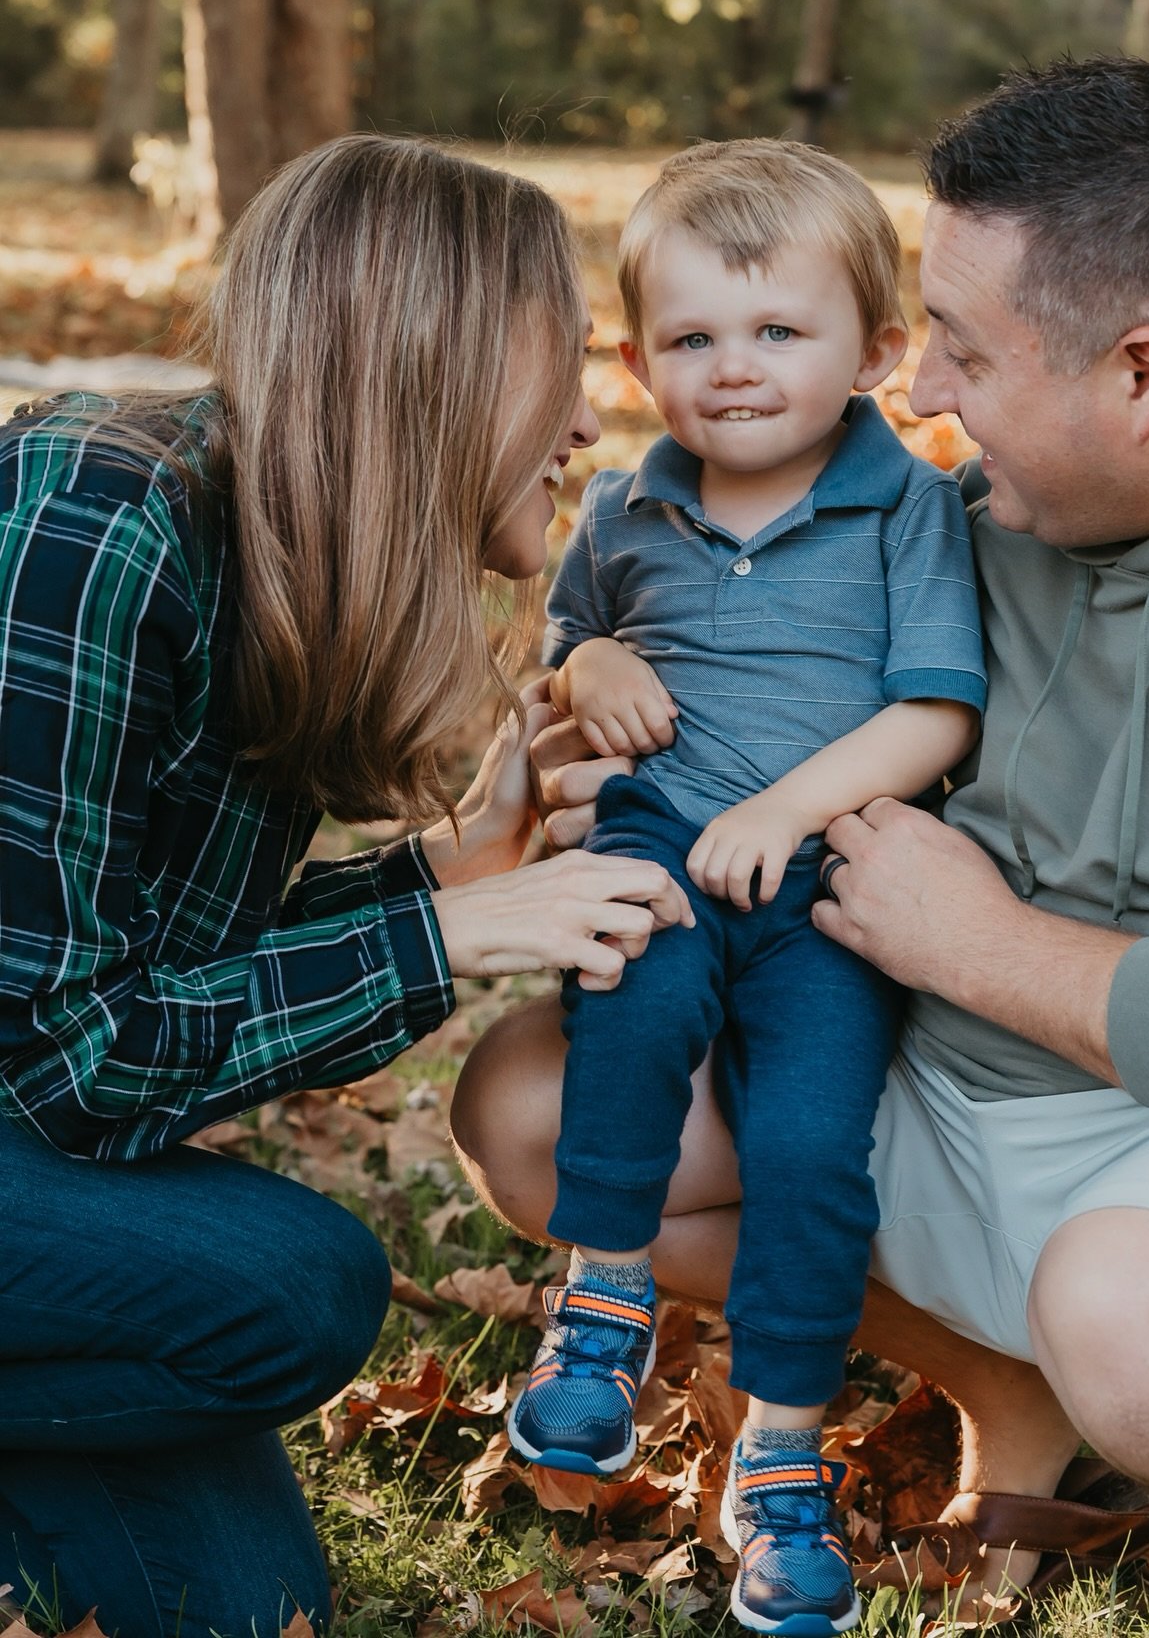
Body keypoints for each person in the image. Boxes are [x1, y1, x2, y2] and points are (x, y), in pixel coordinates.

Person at [453, 57, 1149, 1638]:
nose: (917, 401)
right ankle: (1010, 1382)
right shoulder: (988, 510)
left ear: (1143, 376)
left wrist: (973, 945)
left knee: (1140, 1313)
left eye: (964, 355)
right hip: (949, 1085)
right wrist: (628, 754)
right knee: (533, 1104)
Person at [0, 133, 691, 1638]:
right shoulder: (95, 523)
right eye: (558, 369)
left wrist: (456, 870)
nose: (589, 420)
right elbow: (64, 1065)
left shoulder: (280, 573)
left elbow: (148, 973)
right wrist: (450, 931)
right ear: (427, 368)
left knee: (233, 1606)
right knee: (295, 1283)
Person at [504, 140, 985, 1635]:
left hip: (825, 881)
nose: (734, 370)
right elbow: (561, 649)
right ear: (640, 359)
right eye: (694, 338)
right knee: (627, 1010)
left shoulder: (908, 508)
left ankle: (780, 1455)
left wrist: (784, 809)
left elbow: (937, 716)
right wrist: (594, 659)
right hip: (660, 843)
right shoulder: (625, 512)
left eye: (780, 332)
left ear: (877, 354)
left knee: (808, 1145)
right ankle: (601, 1305)